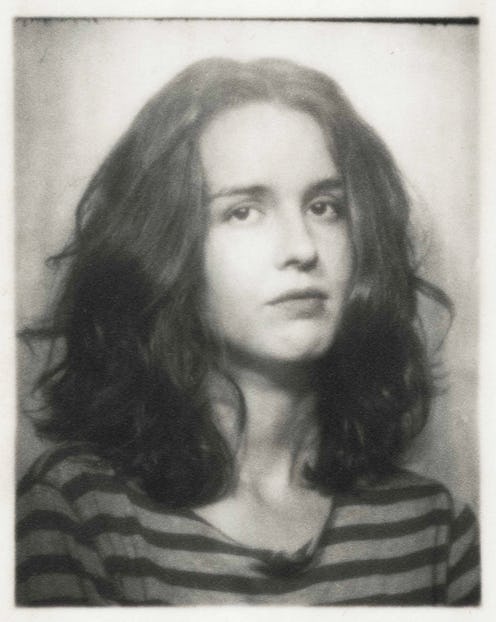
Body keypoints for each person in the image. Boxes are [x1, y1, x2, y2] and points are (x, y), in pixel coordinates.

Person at [16, 57, 480, 606]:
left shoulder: (434, 531)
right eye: (243, 211)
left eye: (325, 207)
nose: (302, 248)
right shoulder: (79, 512)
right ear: (165, 247)